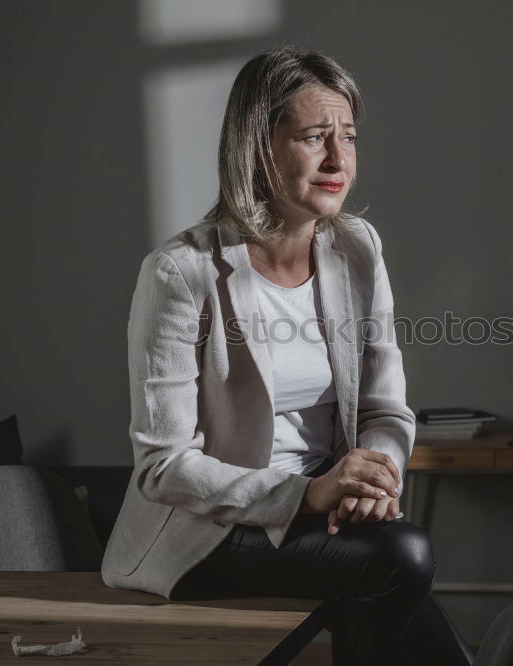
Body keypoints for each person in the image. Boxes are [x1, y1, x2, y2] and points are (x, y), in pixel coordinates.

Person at [101, 45, 474, 665]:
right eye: (313, 137)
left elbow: (386, 410)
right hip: (213, 529)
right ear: (257, 146)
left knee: (384, 556)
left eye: (348, 137)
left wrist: (370, 479)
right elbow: (162, 466)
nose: (338, 160)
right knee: (399, 556)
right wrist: (309, 495)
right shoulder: (181, 273)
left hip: (326, 509)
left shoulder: (356, 249)